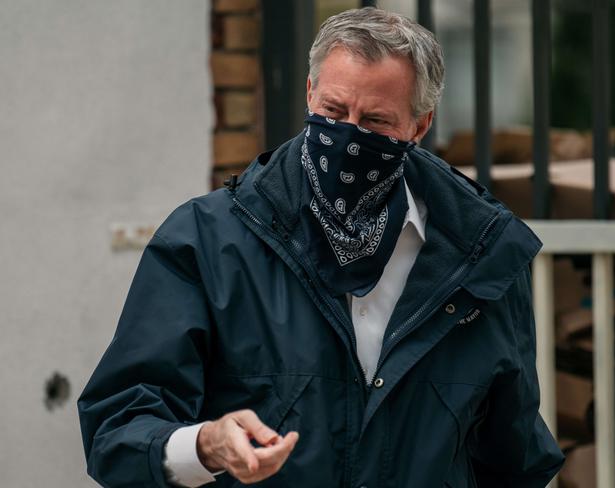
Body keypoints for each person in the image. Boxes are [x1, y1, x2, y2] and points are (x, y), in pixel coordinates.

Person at [78, 7, 564, 487]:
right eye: (332, 111)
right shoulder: (206, 240)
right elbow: (117, 430)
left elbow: (513, 457)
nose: (348, 134)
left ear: (420, 125)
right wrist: (205, 445)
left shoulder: (482, 256)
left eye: (375, 122)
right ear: (310, 93)